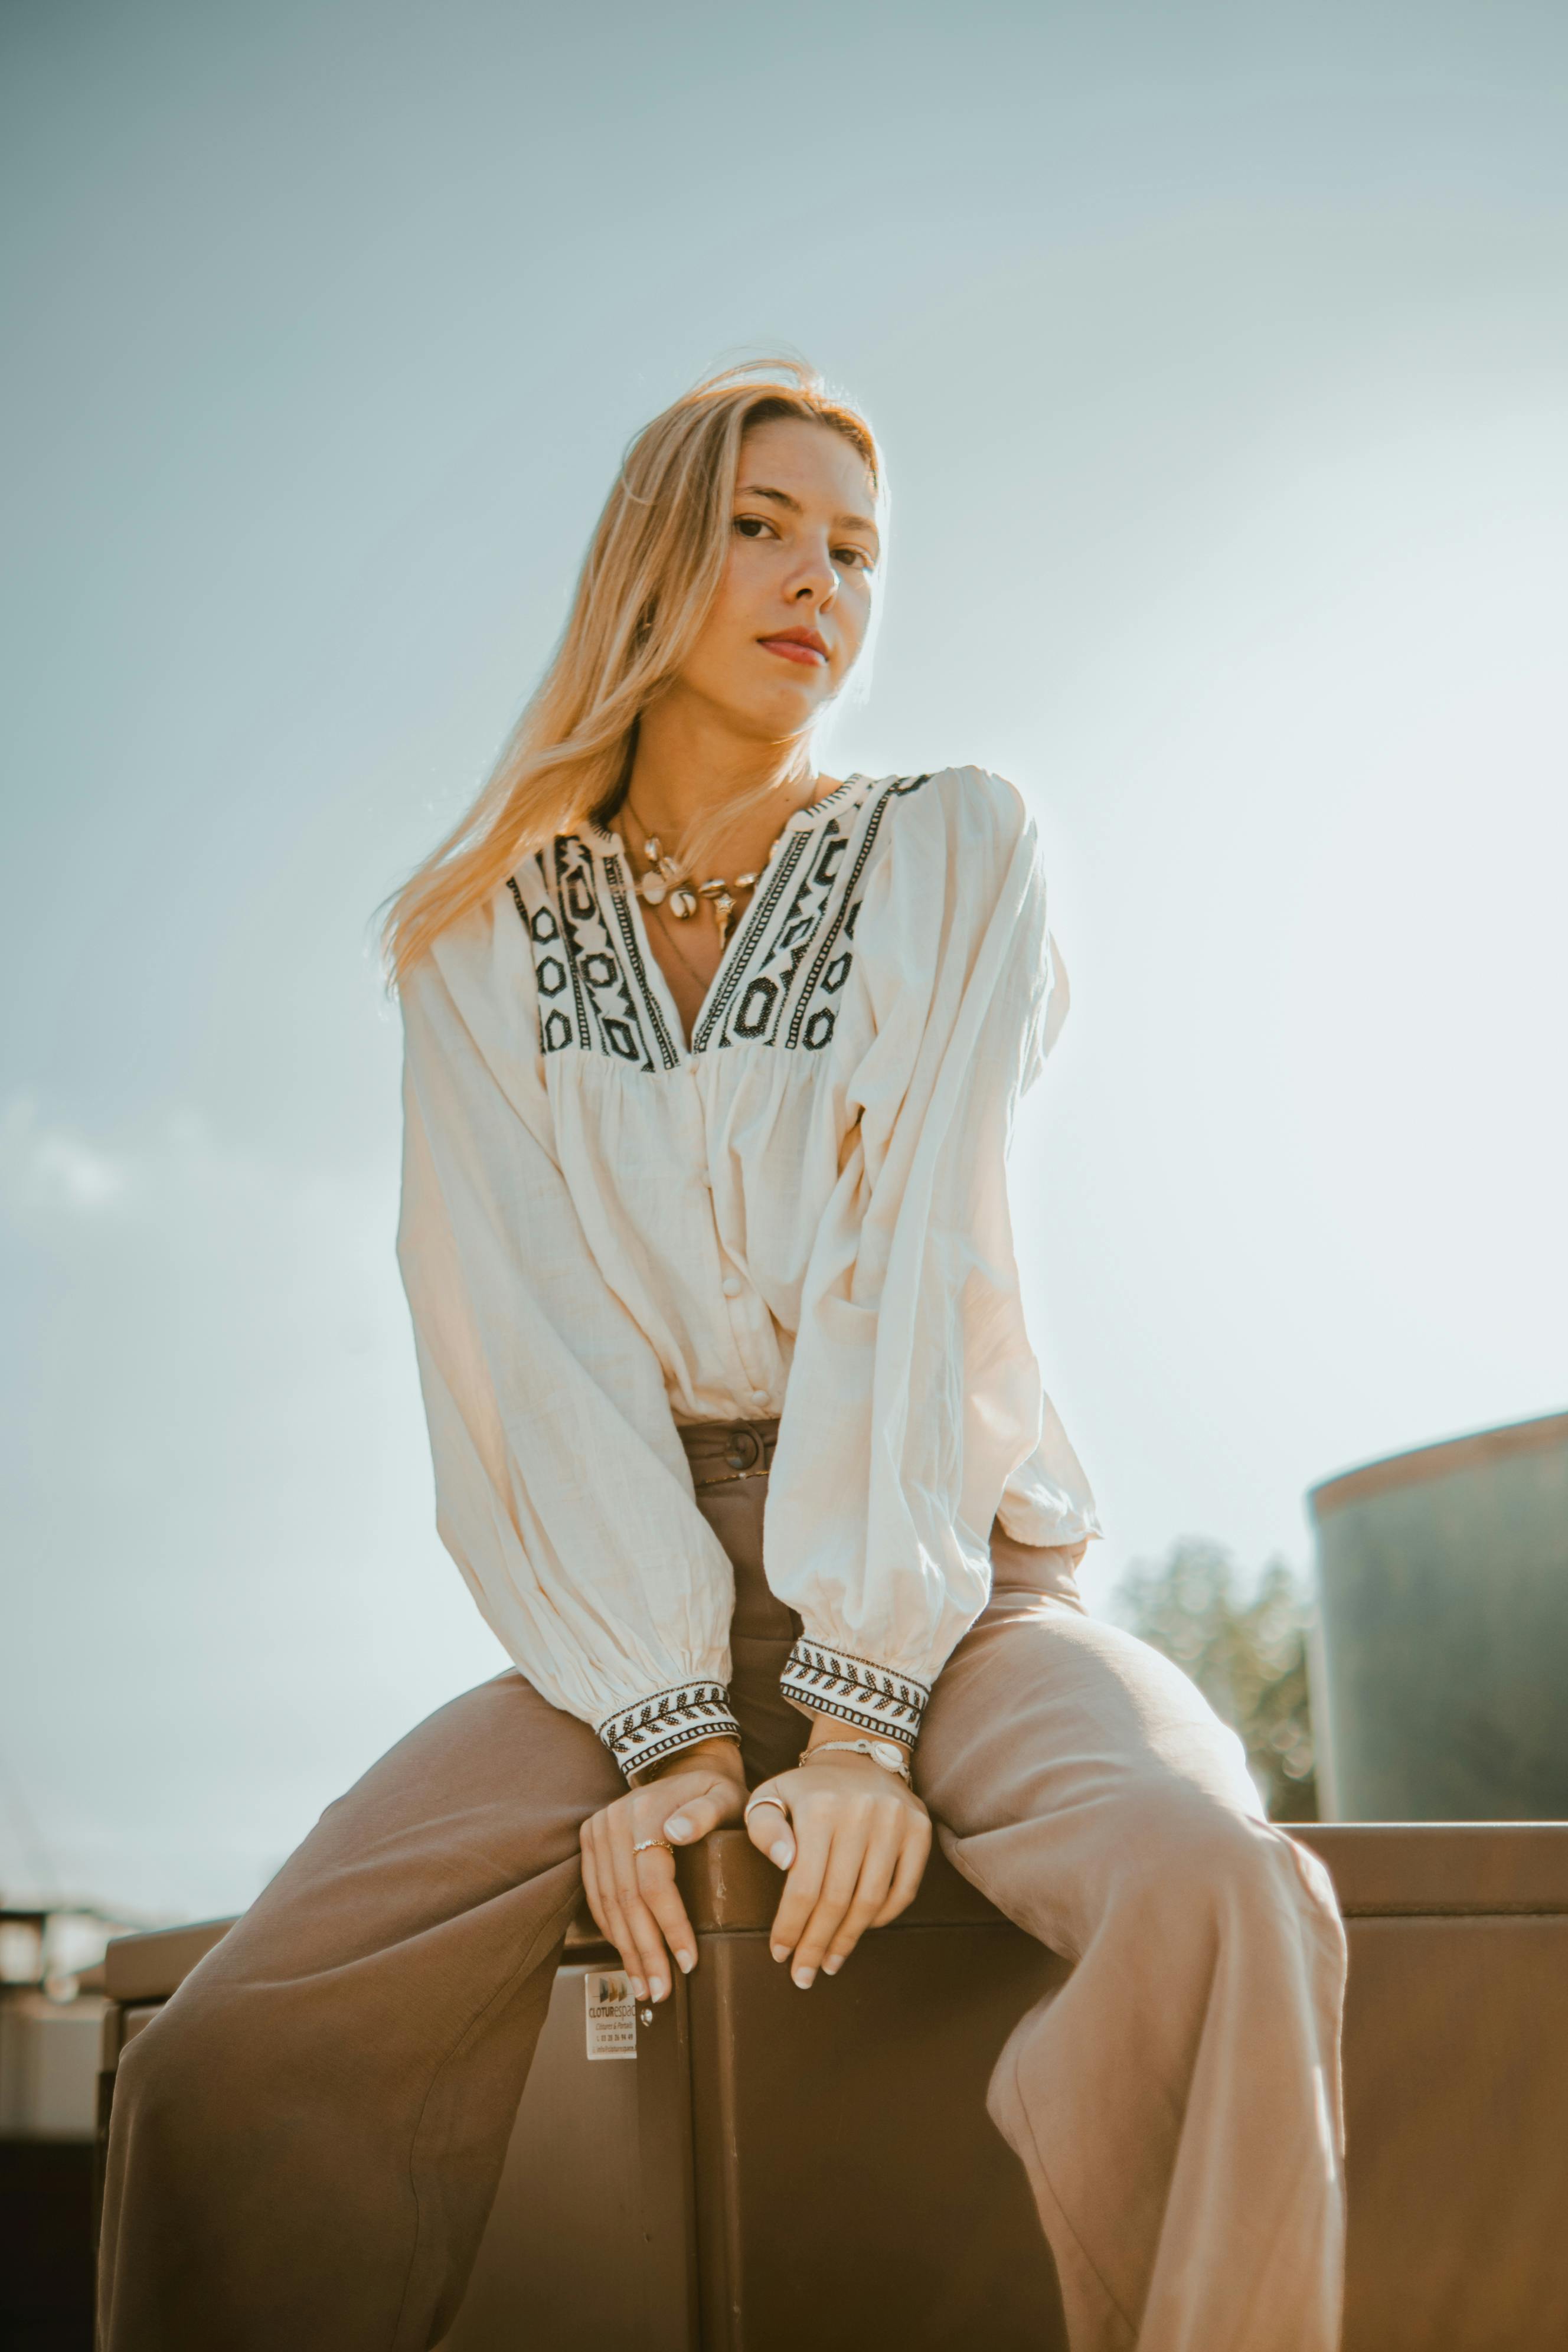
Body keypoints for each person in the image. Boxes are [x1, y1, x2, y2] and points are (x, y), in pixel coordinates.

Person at [97, 359, 1347, 2352]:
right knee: (218, 2067)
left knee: (1223, 1889)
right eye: (763, 526)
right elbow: (519, 1343)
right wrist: (676, 1731)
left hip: (949, 1575)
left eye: (857, 550)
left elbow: (914, 1271)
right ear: (651, 559)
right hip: (628, 1612)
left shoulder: (954, 849)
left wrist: (856, 1725)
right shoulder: (471, 936)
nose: (817, 583)